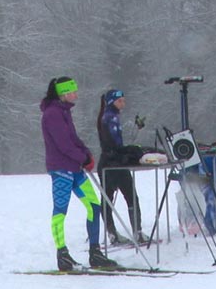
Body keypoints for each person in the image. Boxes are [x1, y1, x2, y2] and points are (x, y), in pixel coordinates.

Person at [40, 77, 117, 270]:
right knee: (60, 210)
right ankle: (62, 253)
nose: (76, 94)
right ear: (63, 93)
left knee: (94, 205)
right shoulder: (52, 114)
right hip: (61, 170)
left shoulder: (64, 112)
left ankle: (95, 251)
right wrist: (80, 157)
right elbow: (62, 143)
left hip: (75, 169)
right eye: (73, 91)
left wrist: (86, 153)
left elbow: (73, 138)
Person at [96, 89, 147, 245]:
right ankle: (137, 233)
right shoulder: (110, 118)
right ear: (112, 102)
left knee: (107, 199)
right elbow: (114, 144)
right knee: (130, 197)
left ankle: (112, 233)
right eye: (120, 101)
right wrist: (128, 152)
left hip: (107, 162)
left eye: (124, 100)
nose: (123, 104)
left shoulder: (109, 116)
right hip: (114, 163)